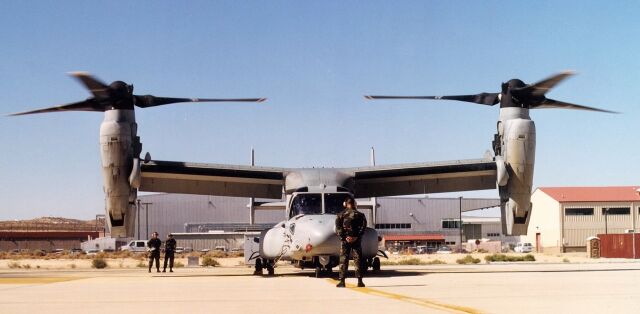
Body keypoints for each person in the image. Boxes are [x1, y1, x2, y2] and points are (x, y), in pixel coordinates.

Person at [335, 197, 367, 288]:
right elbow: (363, 228)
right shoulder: (361, 215)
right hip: (356, 240)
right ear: (354, 203)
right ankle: (360, 281)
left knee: (343, 260)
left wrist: (345, 237)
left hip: (345, 241)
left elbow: (338, 228)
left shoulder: (340, 215)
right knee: (358, 259)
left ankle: (342, 281)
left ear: (345, 204)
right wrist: (356, 237)